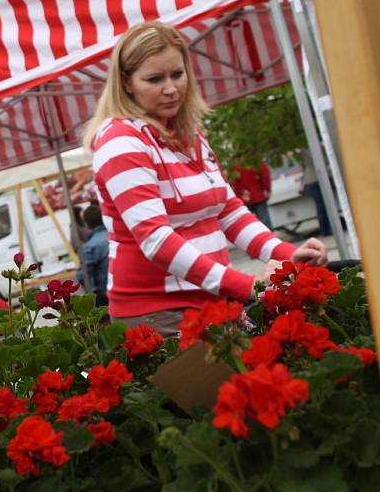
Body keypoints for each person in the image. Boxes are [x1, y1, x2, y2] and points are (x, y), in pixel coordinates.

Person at [83, 22, 327, 336]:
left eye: (177, 74)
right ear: (126, 83)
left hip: (210, 300)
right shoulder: (120, 141)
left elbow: (229, 210)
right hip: (158, 312)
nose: (170, 88)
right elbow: (156, 239)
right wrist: (248, 285)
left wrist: (285, 254)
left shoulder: (190, 134)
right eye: (154, 79)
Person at [79, 204, 109, 307]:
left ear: (87, 224)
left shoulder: (89, 247)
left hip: (105, 295)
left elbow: (83, 275)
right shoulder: (117, 236)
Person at [229, 163, 273, 229]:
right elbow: (265, 175)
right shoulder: (254, 161)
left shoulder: (233, 166)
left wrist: (241, 191)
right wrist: (266, 189)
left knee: (249, 224)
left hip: (244, 198)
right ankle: (269, 237)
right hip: (258, 195)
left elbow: (232, 183)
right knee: (265, 222)